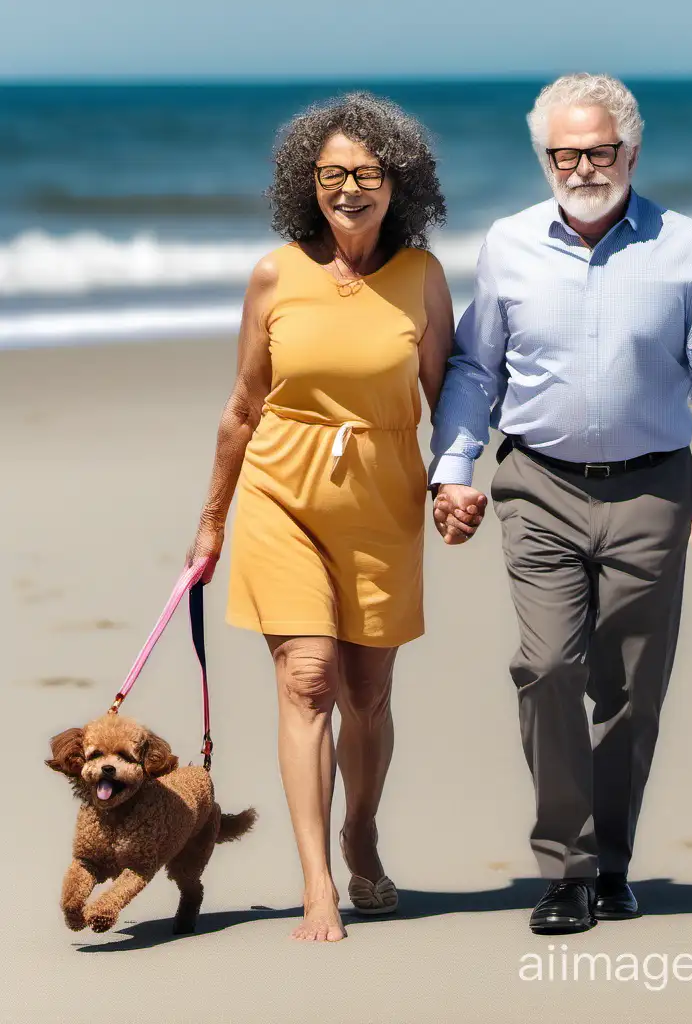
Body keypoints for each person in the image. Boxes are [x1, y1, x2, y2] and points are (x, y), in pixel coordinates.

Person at [429, 73, 692, 935]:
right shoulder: (506, 245)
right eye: (565, 153)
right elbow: (474, 368)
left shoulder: (687, 247)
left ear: (632, 152)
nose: (582, 167)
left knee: (631, 691)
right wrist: (453, 467)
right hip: (536, 486)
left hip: (656, 488)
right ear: (545, 158)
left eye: (599, 150)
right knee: (546, 668)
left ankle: (612, 864)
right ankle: (565, 869)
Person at [186, 92, 453, 942]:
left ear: (396, 181)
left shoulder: (422, 278)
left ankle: (360, 833)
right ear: (308, 181)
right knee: (309, 680)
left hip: (383, 498)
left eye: (366, 173)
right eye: (332, 172)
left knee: (367, 692)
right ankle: (317, 882)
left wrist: (455, 483)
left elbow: (451, 397)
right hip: (281, 490)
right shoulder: (275, 274)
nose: (348, 187)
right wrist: (212, 522)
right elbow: (241, 406)